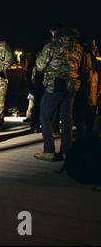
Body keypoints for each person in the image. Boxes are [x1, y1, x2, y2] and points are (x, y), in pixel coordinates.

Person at [34, 27, 90, 162]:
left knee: (45, 115)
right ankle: (66, 151)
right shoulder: (79, 48)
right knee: (66, 118)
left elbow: (40, 66)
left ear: (58, 35)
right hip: (72, 86)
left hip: (55, 85)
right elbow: (85, 68)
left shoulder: (51, 46)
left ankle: (49, 151)